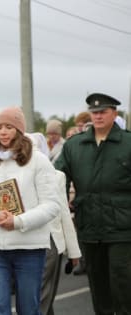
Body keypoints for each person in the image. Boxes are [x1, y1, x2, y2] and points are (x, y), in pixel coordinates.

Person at [0, 107, 60, 315]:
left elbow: (51, 205)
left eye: (9, 127)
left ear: (20, 130)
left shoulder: (38, 160)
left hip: (29, 247)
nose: (3, 132)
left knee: (29, 308)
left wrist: (19, 221)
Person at [55, 92, 131, 315]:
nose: (98, 116)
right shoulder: (75, 146)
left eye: (103, 112)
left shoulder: (127, 143)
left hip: (123, 228)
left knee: (122, 284)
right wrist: (59, 204)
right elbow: (57, 178)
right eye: (94, 112)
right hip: (89, 225)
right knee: (98, 285)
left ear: (114, 113)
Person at [26, 133, 81, 315]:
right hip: (25, 240)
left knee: (44, 293)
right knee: (39, 295)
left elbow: (64, 214)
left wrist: (74, 252)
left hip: (52, 242)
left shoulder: (57, 176)